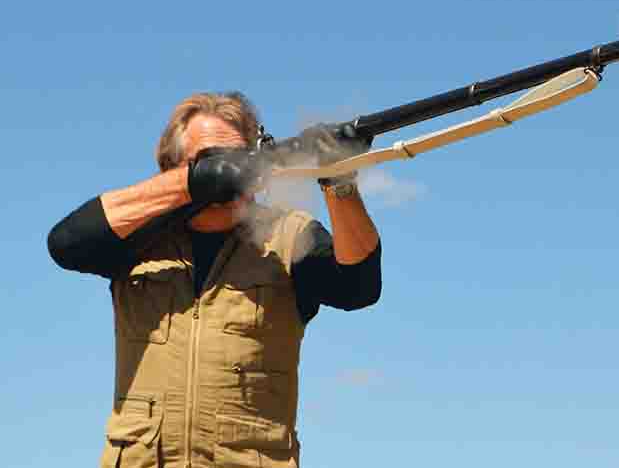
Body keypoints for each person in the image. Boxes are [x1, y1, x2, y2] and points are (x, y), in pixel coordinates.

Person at [47, 91, 382, 468]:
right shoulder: (138, 238)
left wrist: (339, 182)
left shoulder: (288, 236)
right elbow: (65, 243)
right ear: (174, 167)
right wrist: (194, 184)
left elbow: (359, 286)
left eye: (238, 158)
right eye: (210, 160)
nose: (229, 171)